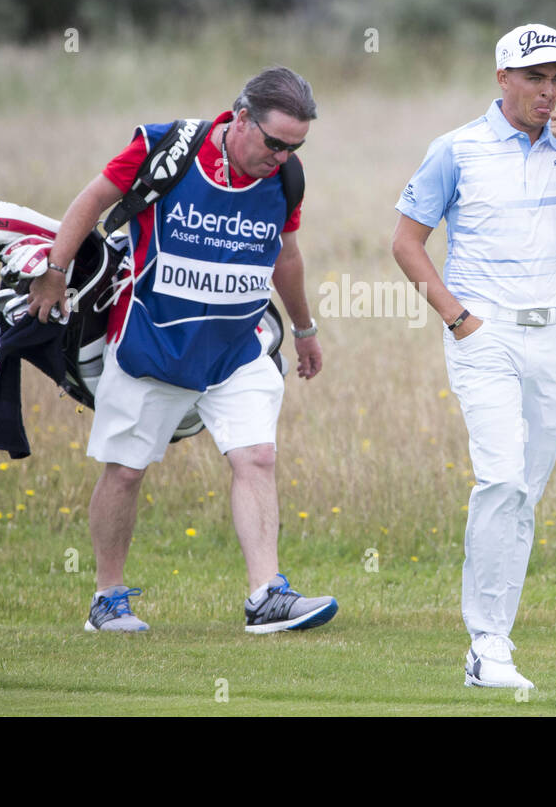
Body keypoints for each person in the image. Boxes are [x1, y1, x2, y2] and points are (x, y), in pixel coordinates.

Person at [27, 66, 337, 635]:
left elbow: (285, 255)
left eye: (295, 147)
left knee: (257, 458)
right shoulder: (164, 147)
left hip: (237, 352)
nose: (283, 157)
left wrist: (305, 327)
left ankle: (266, 595)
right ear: (240, 118)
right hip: (152, 350)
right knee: (124, 471)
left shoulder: (286, 177)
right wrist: (53, 271)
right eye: (274, 143)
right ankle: (107, 598)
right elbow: (93, 198)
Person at [391, 24, 556, 688]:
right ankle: (488, 644)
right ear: (503, 79)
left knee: (524, 492)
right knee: (500, 477)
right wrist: (457, 317)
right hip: (484, 333)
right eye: (535, 77)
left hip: (554, 335)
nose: (549, 91)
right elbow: (407, 242)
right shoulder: (457, 150)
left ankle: (494, 640)